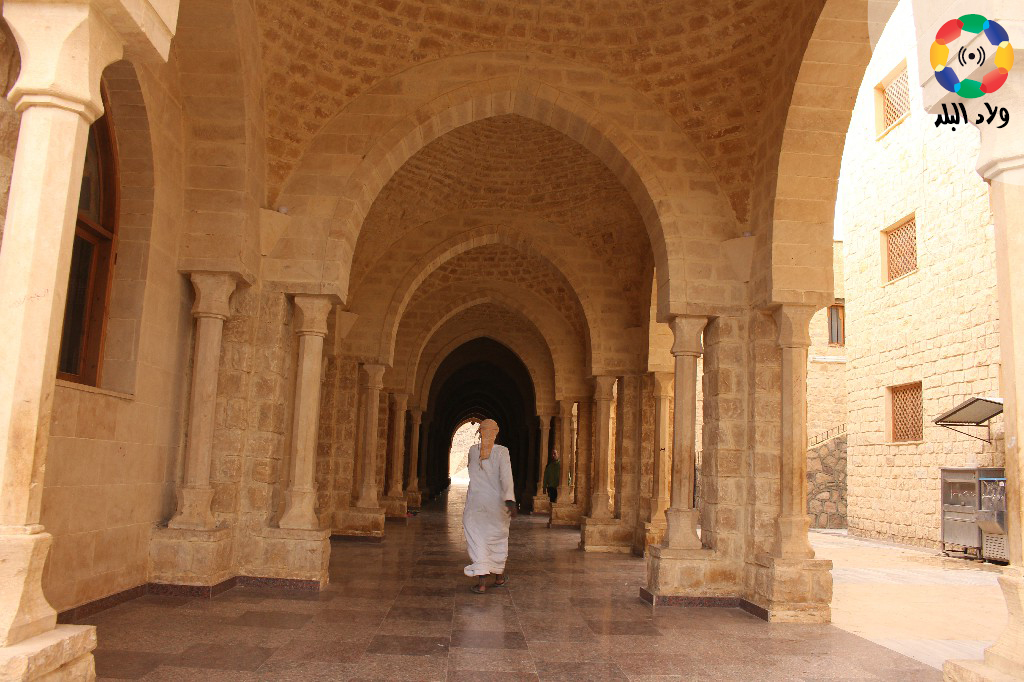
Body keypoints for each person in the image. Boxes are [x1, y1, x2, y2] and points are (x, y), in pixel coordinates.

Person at [463, 419, 516, 593]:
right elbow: (506, 477)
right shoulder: (502, 452)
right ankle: (499, 577)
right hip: (496, 505)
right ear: (496, 432)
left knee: (479, 541)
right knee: (497, 540)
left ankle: (482, 583)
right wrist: (510, 499)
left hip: (476, 506)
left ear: (480, 432)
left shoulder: (473, 451)